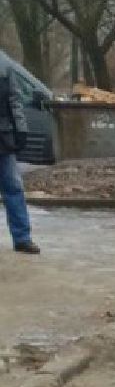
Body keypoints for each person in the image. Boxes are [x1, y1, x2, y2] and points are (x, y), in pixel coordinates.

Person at [0, 50, 38, 255]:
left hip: (3, 137)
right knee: (13, 187)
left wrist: (21, 129)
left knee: (13, 187)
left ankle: (22, 238)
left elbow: (14, 100)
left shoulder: (4, 64)